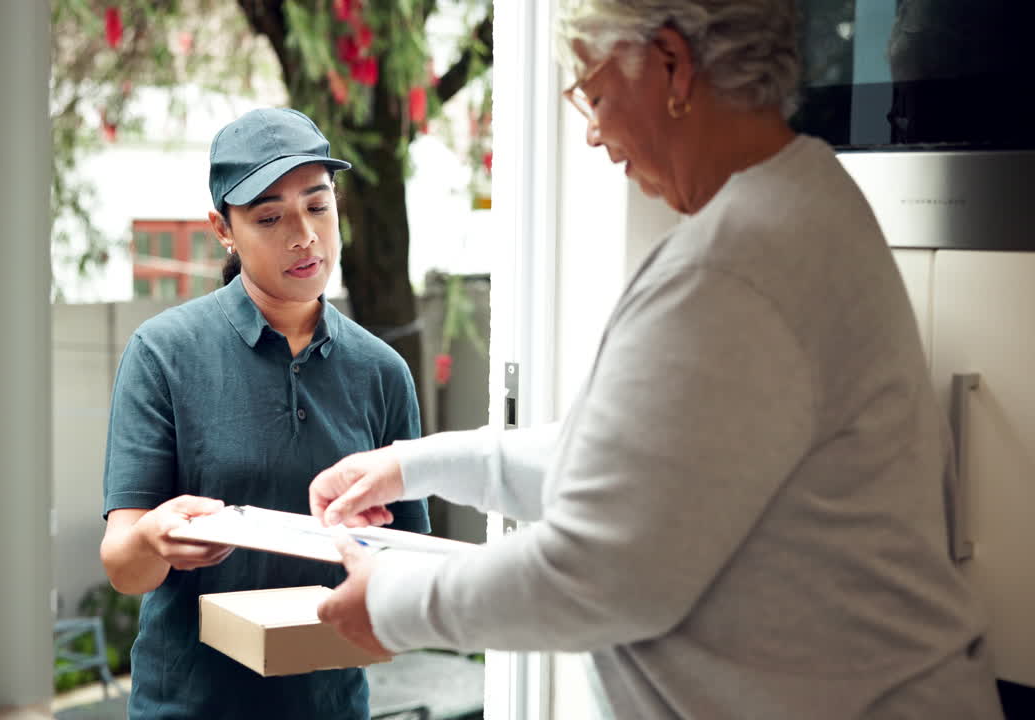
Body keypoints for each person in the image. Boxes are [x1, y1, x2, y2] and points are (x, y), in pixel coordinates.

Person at [308, 1, 1006, 717]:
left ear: (672, 63)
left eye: (596, 93)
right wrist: (411, 466)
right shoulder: (802, 198)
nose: (593, 134)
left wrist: (392, 602)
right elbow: (644, 471)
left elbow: (599, 573)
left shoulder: (736, 264)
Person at [99, 107, 430, 719]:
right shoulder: (163, 354)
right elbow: (123, 564)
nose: (302, 235)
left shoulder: (382, 371)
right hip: (191, 705)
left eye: (318, 204)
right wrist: (155, 537)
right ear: (222, 228)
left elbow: (408, 559)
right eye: (269, 217)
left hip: (330, 704)